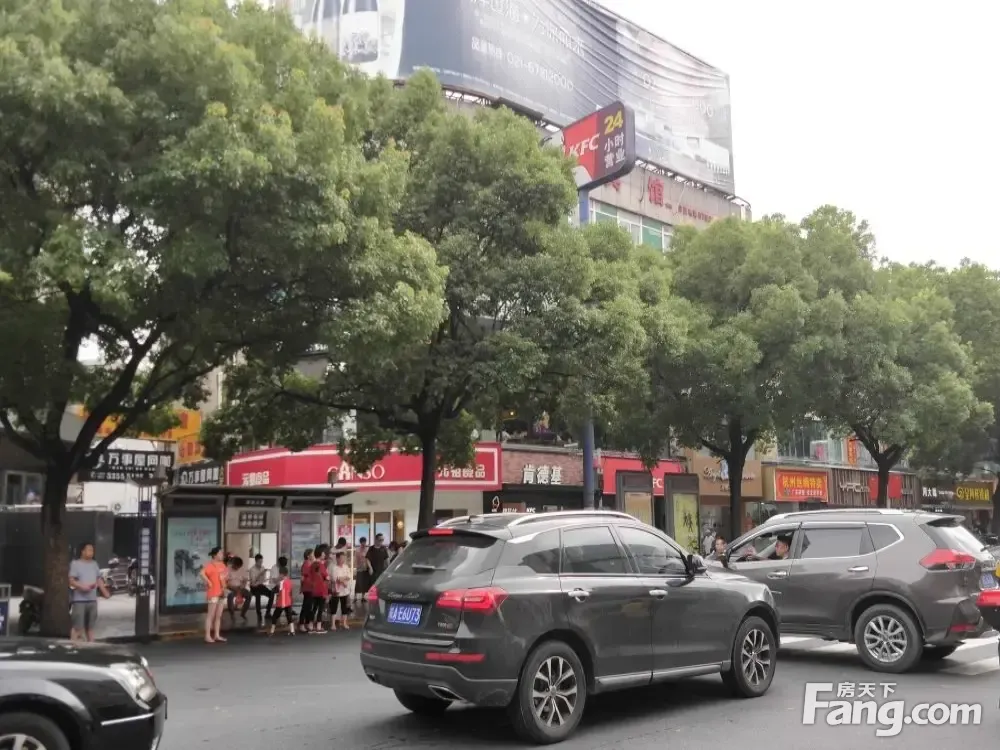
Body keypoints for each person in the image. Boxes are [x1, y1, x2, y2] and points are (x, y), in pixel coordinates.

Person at [69, 542, 110, 642]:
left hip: (92, 600)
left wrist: (105, 592)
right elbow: (71, 581)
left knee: (90, 628)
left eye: (92, 550)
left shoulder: (94, 564)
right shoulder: (75, 564)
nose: (91, 552)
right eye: (89, 550)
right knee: (78, 628)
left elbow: (98, 579)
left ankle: (91, 646)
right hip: (79, 601)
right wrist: (82, 586)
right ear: (82, 551)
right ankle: (74, 646)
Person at [202, 547, 228, 643]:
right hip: (213, 592)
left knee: (218, 615)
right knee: (211, 615)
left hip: (221, 592)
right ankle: (207, 636)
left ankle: (217, 635)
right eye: (220, 553)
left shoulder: (223, 565)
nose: (222, 555)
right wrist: (209, 582)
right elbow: (202, 573)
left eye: (222, 553)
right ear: (214, 555)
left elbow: (225, 577)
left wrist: (225, 588)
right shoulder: (210, 565)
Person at [308, 544, 330, 633]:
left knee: (314, 608)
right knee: (320, 609)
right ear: (320, 553)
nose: (324, 554)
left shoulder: (312, 565)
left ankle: (310, 626)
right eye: (324, 553)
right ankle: (318, 627)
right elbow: (327, 577)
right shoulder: (321, 565)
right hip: (321, 590)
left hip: (314, 590)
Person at [269, 566, 295, 637]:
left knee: (275, 616)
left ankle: (272, 631)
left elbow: (280, 592)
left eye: (279, 574)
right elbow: (290, 592)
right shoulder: (290, 581)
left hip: (281, 602)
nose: (279, 575)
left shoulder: (280, 583)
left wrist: (277, 602)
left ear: (281, 574)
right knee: (289, 616)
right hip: (288, 602)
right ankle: (292, 631)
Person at [247, 554, 272, 625]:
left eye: (262, 562)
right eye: (259, 562)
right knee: (258, 596)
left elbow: (263, 580)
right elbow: (253, 581)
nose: (261, 563)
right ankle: (259, 614)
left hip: (260, 585)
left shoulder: (262, 567)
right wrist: (260, 574)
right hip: (254, 587)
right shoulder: (252, 569)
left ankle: (268, 612)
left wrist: (263, 577)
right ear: (256, 561)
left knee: (271, 594)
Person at [331, 551, 352, 630]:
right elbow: (335, 578)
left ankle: (344, 623)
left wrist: (342, 579)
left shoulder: (346, 567)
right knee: (334, 607)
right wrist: (343, 581)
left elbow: (349, 576)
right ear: (337, 558)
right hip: (337, 590)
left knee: (344, 607)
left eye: (344, 558)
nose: (343, 560)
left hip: (345, 590)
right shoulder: (334, 568)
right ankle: (333, 624)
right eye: (341, 558)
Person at [227, 556, 251, 621]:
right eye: (236, 566)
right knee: (230, 595)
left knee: (249, 595)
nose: (237, 568)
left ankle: (243, 613)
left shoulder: (242, 569)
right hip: (230, 587)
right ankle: (232, 614)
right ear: (233, 564)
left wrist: (243, 585)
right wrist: (231, 587)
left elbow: (245, 580)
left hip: (240, 587)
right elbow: (225, 582)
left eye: (239, 567)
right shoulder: (228, 569)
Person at [298, 549, 316, 632]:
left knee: (309, 607)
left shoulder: (310, 564)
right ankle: (302, 624)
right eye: (312, 554)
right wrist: (301, 587)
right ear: (308, 556)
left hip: (311, 587)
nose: (313, 555)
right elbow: (303, 577)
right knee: (306, 606)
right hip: (307, 588)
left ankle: (308, 623)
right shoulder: (306, 564)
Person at [354, 537, 371, 604]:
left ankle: (363, 597)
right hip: (359, 569)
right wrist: (356, 568)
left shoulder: (367, 549)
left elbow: (368, 558)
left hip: (365, 568)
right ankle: (355, 597)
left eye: (364, 542)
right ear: (360, 542)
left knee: (364, 583)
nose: (364, 543)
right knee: (358, 583)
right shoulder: (357, 550)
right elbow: (356, 559)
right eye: (362, 542)